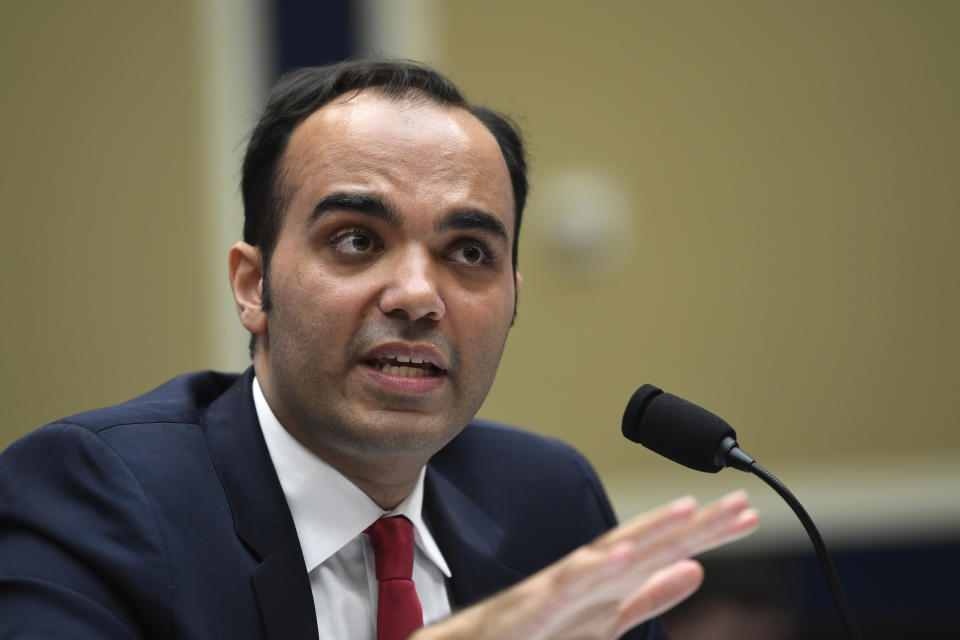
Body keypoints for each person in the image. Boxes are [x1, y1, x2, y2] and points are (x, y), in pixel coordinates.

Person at [0, 60, 758, 639]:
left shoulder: (548, 499)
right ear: (252, 284)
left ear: (514, 298)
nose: (417, 296)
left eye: (468, 253)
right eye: (357, 240)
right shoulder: (96, 497)